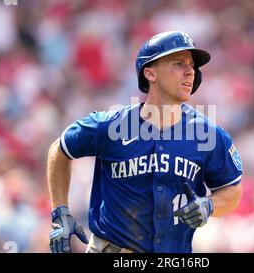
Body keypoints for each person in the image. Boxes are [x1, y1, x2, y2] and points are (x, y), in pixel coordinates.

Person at [47, 31, 243, 253]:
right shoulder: (111, 125)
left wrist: (210, 205)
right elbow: (60, 149)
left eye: (192, 66)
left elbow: (232, 190)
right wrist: (59, 212)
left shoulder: (209, 134)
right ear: (150, 73)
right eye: (178, 63)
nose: (190, 72)